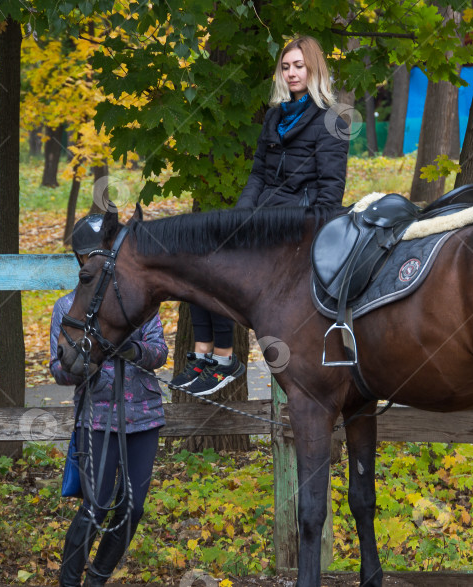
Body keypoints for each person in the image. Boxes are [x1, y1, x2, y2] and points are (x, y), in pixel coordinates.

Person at [172, 35, 349, 391]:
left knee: (219, 264)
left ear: (314, 68)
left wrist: (306, 232)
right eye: (285, 67)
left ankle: (224, 359)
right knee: (196, 255)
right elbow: (258, 174)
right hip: (262, 218)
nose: (291, 73)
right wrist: (238, 218)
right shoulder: (274, 117)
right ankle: (203, 356)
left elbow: (330, 195)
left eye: (299, 66)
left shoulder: (333, 120)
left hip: (298, 227)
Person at [51, 214, 168, 587]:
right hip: (97, 417)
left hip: (143, 415)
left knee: (132, 508)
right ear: (82, 261)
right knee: (97, 504)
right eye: (91, 256)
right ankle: (69, 581)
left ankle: (98, 578)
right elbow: (59, 369)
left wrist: (130, 348)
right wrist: (85, 363)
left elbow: (159, 352)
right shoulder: (68, 307)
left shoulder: (140, 302)